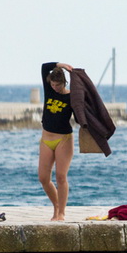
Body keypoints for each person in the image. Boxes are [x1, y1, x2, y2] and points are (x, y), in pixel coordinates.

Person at [39, 62, 75, 221]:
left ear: (64, 83)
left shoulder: (71, 96)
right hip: (46, 138)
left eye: (58, 85)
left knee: (61, 176)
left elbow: (83, 115)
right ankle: (56, 206)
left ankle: (61, 213)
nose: (54, 87)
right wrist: (61, 65)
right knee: (43, 178)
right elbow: (44, 67)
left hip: (64, 139)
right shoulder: (49, 89)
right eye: (52, 84)